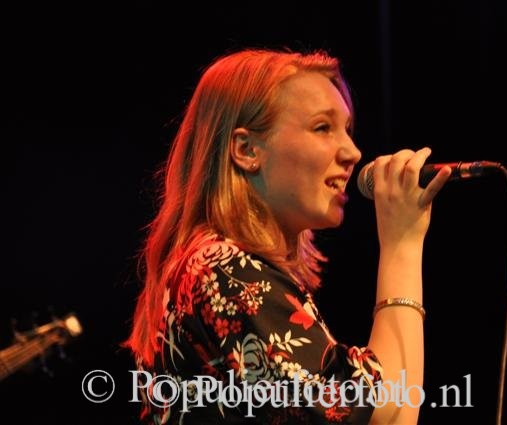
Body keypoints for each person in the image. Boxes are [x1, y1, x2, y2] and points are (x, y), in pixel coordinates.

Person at [125, 47, 451, 424]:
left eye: (347, 130)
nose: (353, 152)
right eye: (322, 127)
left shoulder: (218, 268)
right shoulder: (226, 272)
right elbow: (385, 414)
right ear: (247, 150)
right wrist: (401, 245)